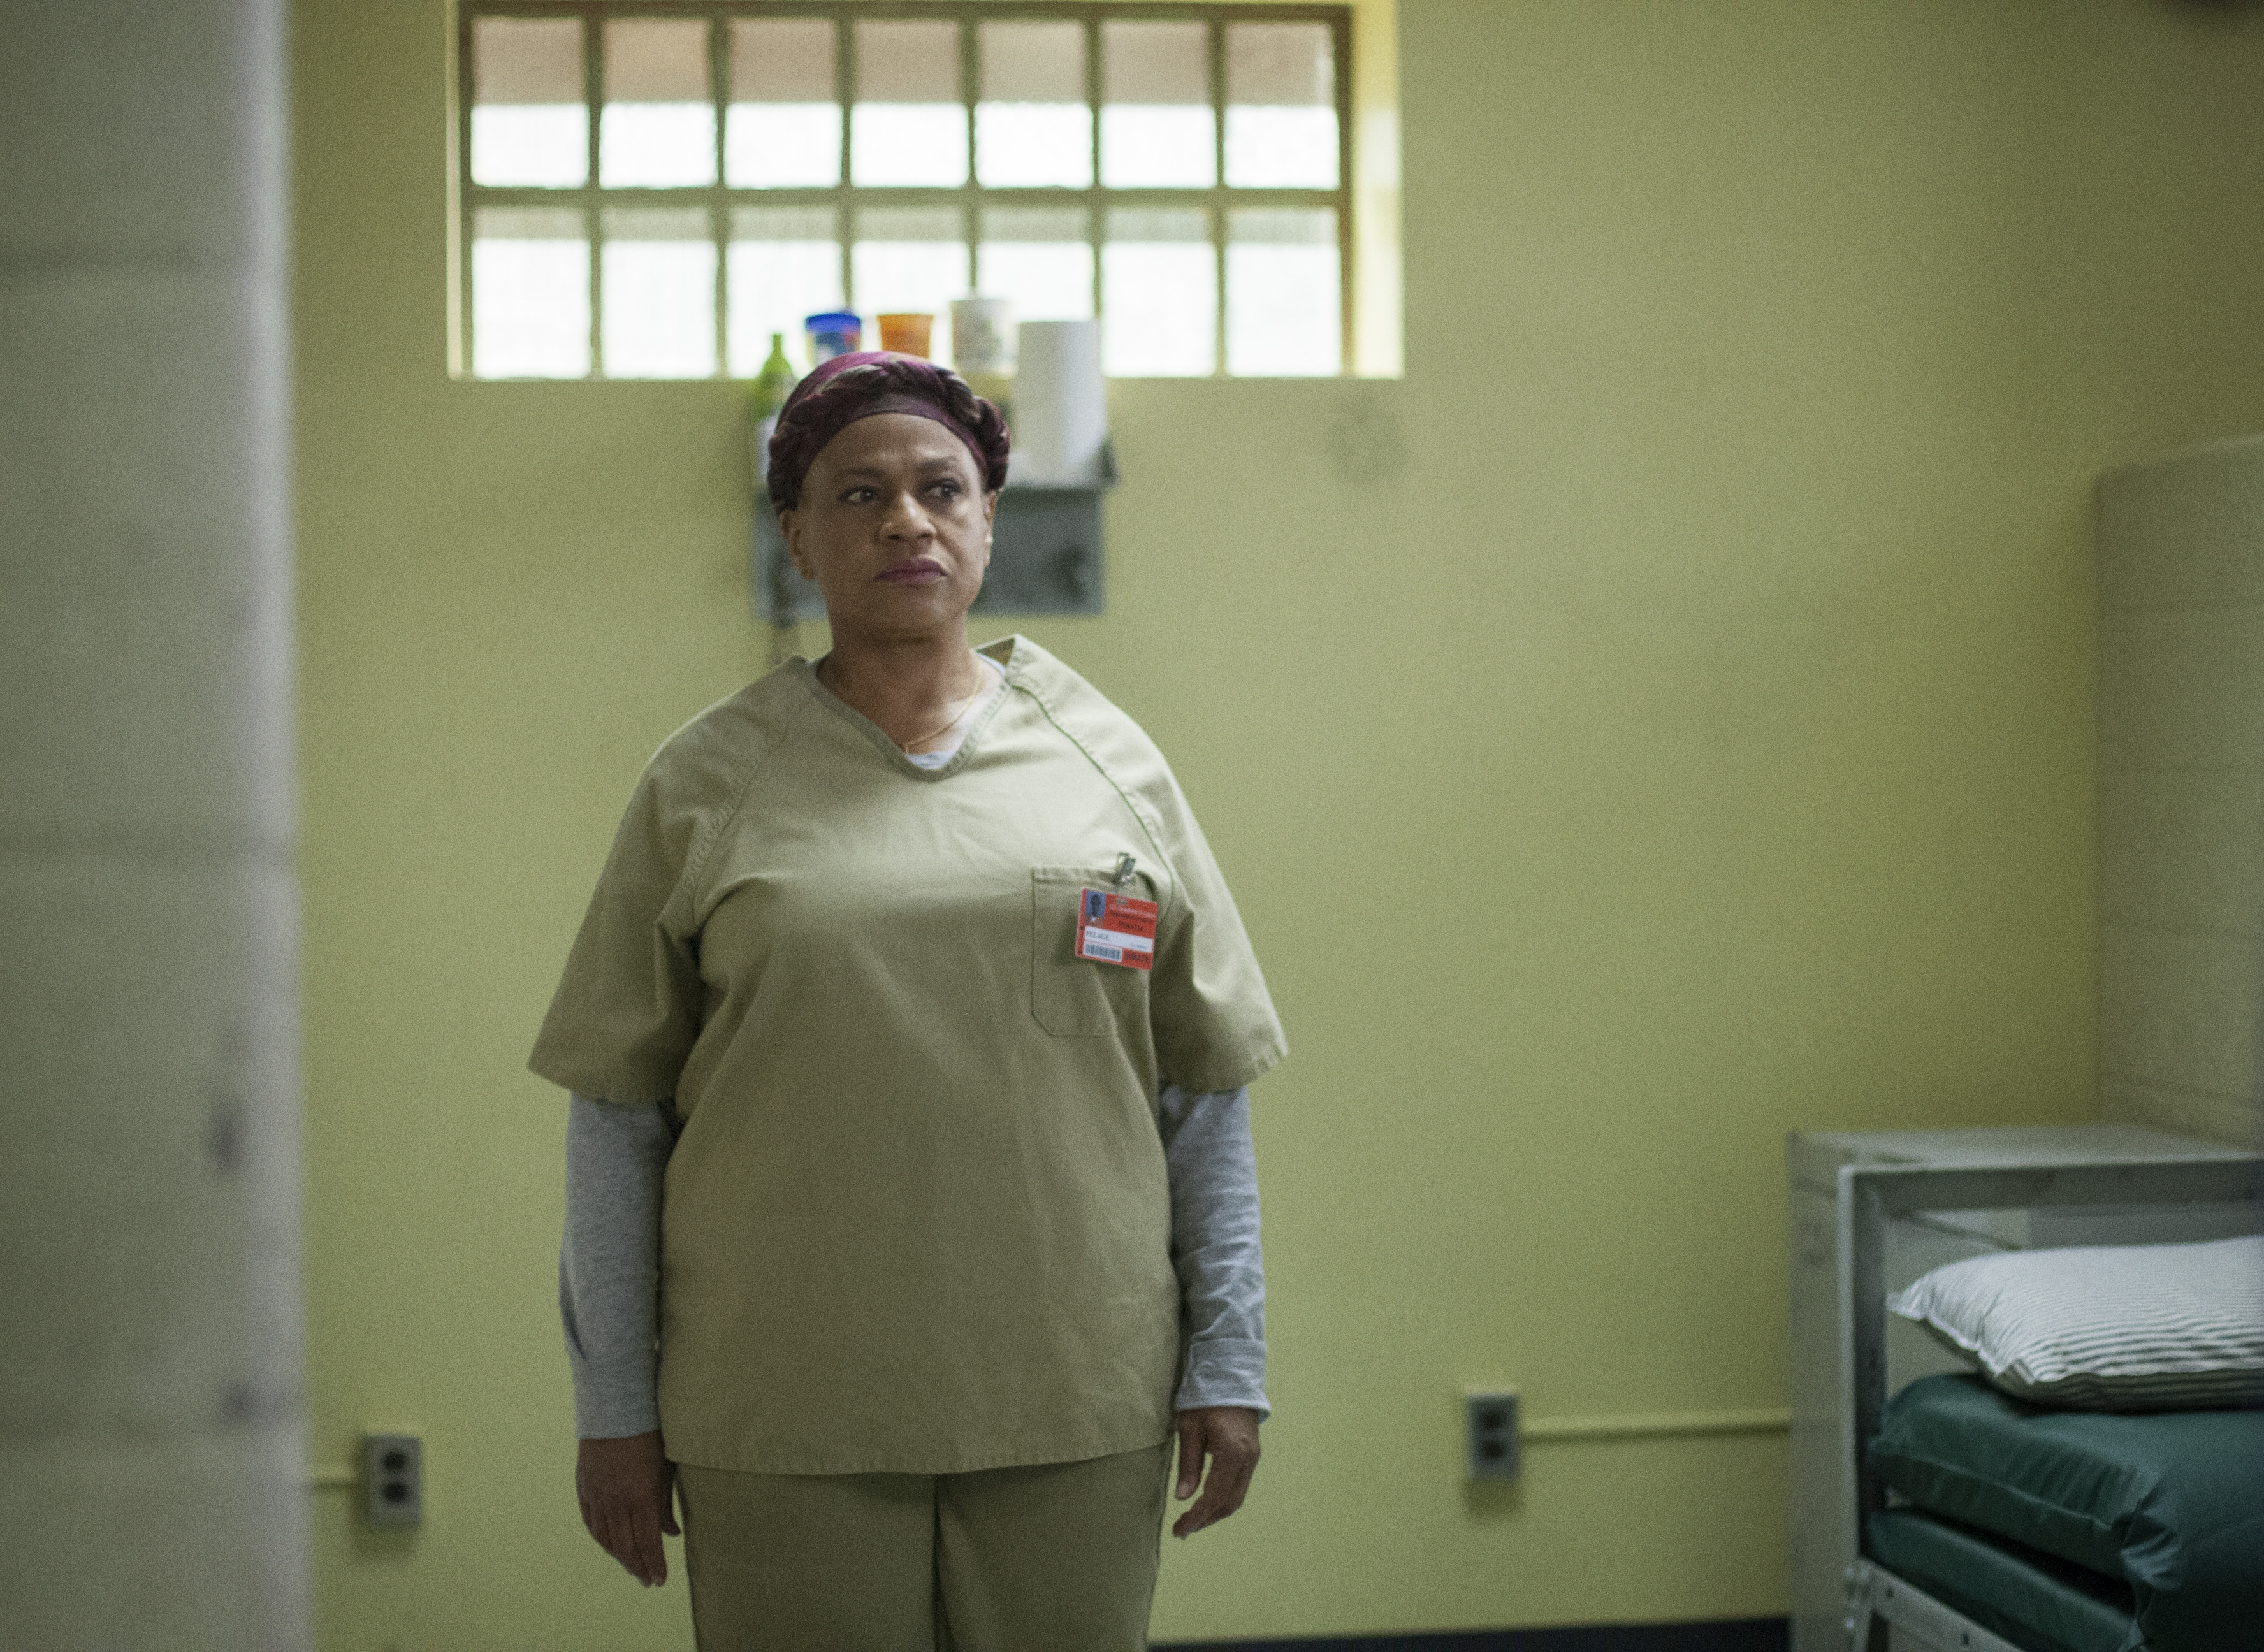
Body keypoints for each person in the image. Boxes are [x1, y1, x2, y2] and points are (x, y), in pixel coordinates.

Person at [528, 351, 1287, 1651]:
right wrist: (615, 1406)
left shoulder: (1109, 768)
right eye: (859, 493)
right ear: (797, 538)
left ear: (991, 521)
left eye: (943, 489)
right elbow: (619, 1118)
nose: (905, 521)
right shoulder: (707, 783)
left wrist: (1231, 1358)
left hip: (1073, 1396)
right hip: (783, 1409)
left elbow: (1196, 1090)